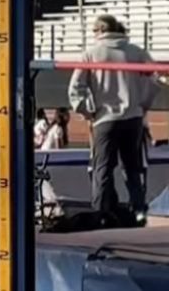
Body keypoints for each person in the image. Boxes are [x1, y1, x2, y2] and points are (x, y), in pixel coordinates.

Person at [68, 15, 158, 219]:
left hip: (105, 118)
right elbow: (155, 79)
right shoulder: (136, 52)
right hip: (133, 117)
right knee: (132, 168)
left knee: (102, 169)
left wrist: (86, 111)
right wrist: (143, 103)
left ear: (99, 31)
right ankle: (139, 210)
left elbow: (75, 88)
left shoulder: (91, 54)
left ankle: (101, 212)